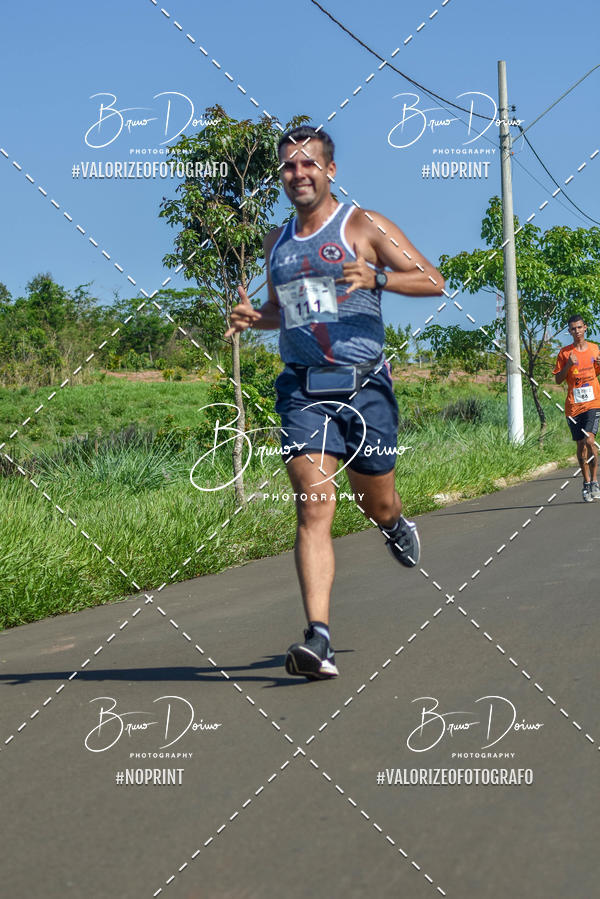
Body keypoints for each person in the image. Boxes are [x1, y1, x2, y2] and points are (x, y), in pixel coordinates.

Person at [225, 126, 445, 679]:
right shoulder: (277, 243)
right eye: (288, 168)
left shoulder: (362, 225)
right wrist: (256, 318)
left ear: (330, 171)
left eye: (308, 165)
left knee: (377, 502)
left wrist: (378, 277)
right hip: (303, 389)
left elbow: (432, 280)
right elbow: (287, 311)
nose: (298, 175)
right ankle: (317, 638)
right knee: (313, 502)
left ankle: (393, 525)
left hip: (364, 386)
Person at [553, 314, 600, 502]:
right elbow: (557, 379)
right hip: (573, 407)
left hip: (593, 403)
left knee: (590, 440)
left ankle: (595, 480)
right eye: (573, 329)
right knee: (580, 446)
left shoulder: (595, 349)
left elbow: (596, 372)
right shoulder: (565, 353)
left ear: (585, 328)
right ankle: (586, 482)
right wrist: (568, 365)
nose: (576, 331)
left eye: (579, 327)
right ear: (569, 331)